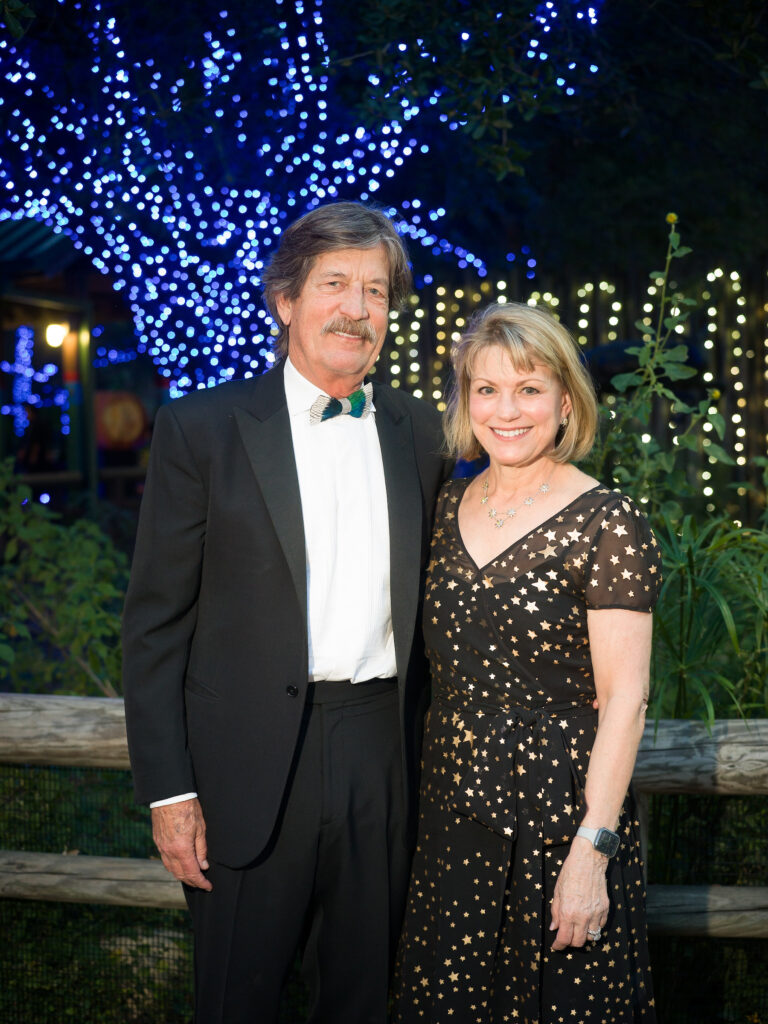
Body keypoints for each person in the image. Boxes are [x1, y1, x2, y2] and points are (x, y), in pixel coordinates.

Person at [121, 201, 451, 1024]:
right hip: (243, 768)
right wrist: (169, 793)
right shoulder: (201, 428)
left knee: (365, 997)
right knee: (238, 999)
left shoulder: (422, 433)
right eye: (334, 284)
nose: (355, 308)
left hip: (381, 750)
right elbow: (155, 625)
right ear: (285, 300)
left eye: (375, 292)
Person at [393, 302, 661, 1023]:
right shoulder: (442, 505)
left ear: (565, 400)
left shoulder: (610, 521)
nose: (506, 410)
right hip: (451, 816)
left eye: (529, 388)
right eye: (486, 389)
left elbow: (627, 699)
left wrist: (591, 851)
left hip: (559, 819)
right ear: (465, 401)